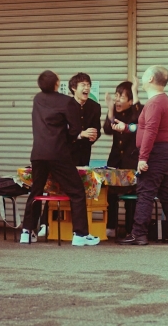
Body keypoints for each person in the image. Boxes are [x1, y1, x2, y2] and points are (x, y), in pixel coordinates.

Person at [21, 70, 100, 247]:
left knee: (36, 191)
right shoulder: (66, 102)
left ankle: (27, 231)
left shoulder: (37, 99)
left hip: (38, 154)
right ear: (57, 83)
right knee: (76, 191)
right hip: (58, 153)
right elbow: (74, 130)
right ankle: (80, 234)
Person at [119, 65, 168, 245]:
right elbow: (146, 128)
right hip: (167, 152)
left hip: (157, 153)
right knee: (166, 193)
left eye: (146, 73)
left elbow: (151, 132)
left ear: (150, 79)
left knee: (145, 193)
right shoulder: (163, 100)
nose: (142, 75)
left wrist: (143, 158)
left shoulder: (155, 103)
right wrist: (126, 127)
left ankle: (138, 234)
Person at [103, 80, 143, 239]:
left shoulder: (138, 112)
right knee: (111, 195)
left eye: (121, 97)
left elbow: (139, 120)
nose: (117, 100)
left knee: (131, 198)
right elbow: (107, 129)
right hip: (115, 161)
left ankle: (129, 229)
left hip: (131, 162)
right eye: (116, 96)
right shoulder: (116, 114)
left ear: (131, 100)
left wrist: (136, 93)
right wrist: (110, 111)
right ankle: (111, 226)